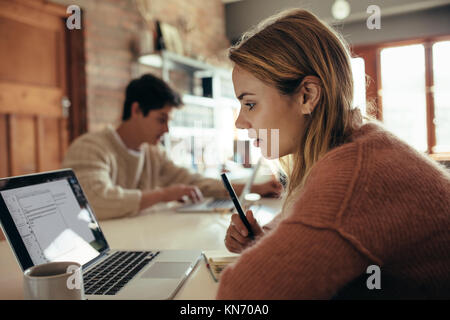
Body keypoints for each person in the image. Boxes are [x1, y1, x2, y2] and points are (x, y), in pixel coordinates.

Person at [217, 8, 450, 299]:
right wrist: (264, 245)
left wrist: (266, 260)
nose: (240, 121)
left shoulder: (354, 173)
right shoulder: (359, 144)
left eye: (249, 104)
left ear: (307, 96)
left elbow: (242, 293)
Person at [62, 74, 282, 220]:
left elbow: (197, 184)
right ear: (137, 110)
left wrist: (255, 188)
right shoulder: (90, 148)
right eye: (161, 119)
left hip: (136, 241)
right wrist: (163, 194)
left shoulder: (153, 153)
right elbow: (96, 201)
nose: (167, 129)